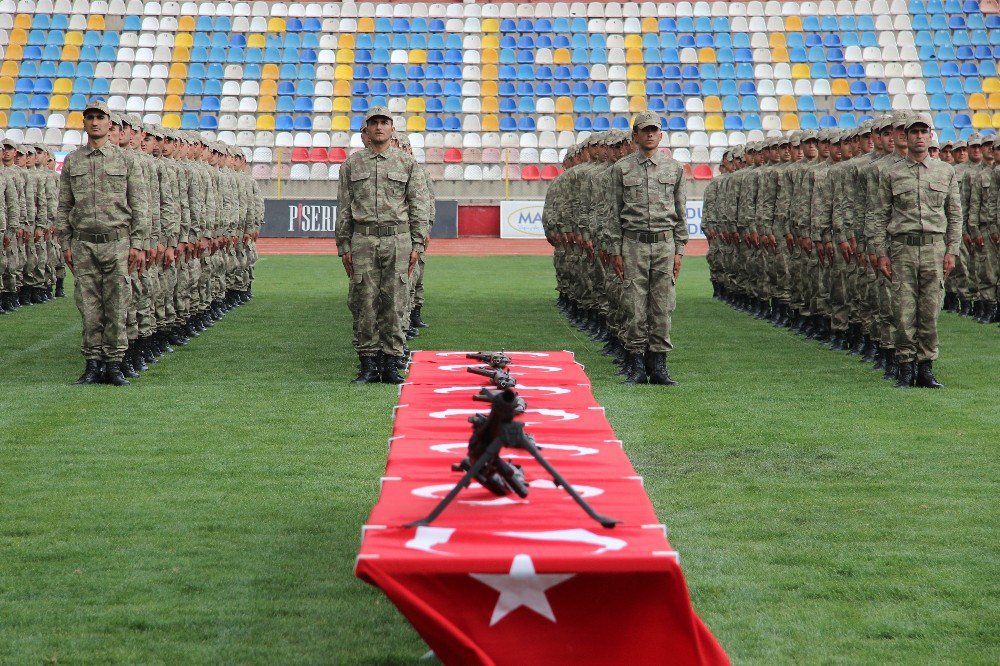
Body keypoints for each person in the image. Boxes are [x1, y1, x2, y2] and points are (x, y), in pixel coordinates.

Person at [56, 100, 150, 385]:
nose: (95, 122)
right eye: (89, 118)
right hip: (83, 244)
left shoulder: (126, 160)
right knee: (88, 306)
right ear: (83, 123)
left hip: (117, 242)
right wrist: (65, 244)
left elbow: (140, 204)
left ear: (110, 124)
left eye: (100, 118)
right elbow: (64, 207)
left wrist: (138, 244)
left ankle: (114, 364)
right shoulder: (73, 161)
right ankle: (92, 364)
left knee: (117, 304)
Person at [336, 106, 429, 384]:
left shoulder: (407, 164)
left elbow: (418, 205)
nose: (379, 127)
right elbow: (343, 207)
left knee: (396, 301)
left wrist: (418, 243)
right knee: (363, 300)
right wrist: (344, 245)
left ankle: (390, 363)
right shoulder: (352, 165)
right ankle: (367, 363)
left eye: (384, 122)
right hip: (363, 239)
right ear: (366, 130)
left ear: (392, 129)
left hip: (398, 241)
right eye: (374, 123)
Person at [871, 114, 962, 388]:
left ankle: (926, 367)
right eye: (914, 132)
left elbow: (955, 215)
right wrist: (880, 252)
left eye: (924, 132)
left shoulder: (945, 171)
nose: (919, 137)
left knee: (930, 309)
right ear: (906, 138)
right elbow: (878, 215)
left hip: (934, 248)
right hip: (902, 249)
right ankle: (905, 367)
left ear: (930, 135)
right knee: (902, 310)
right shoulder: (891, 173)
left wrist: (952, 250)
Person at [606, 111, 688, 385]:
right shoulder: (621, 168)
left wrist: (679, 250)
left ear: (661, 135)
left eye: (654, 130)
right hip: (633, 244)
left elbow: (680, 212)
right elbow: (613, 213)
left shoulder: (674, 169)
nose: (650, 134)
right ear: (635, 136)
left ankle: (659, 365)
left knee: (662, 306)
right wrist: (615, 250)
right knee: (634, 305)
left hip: (664, 244)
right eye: (645, 130)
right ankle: (637, 364)